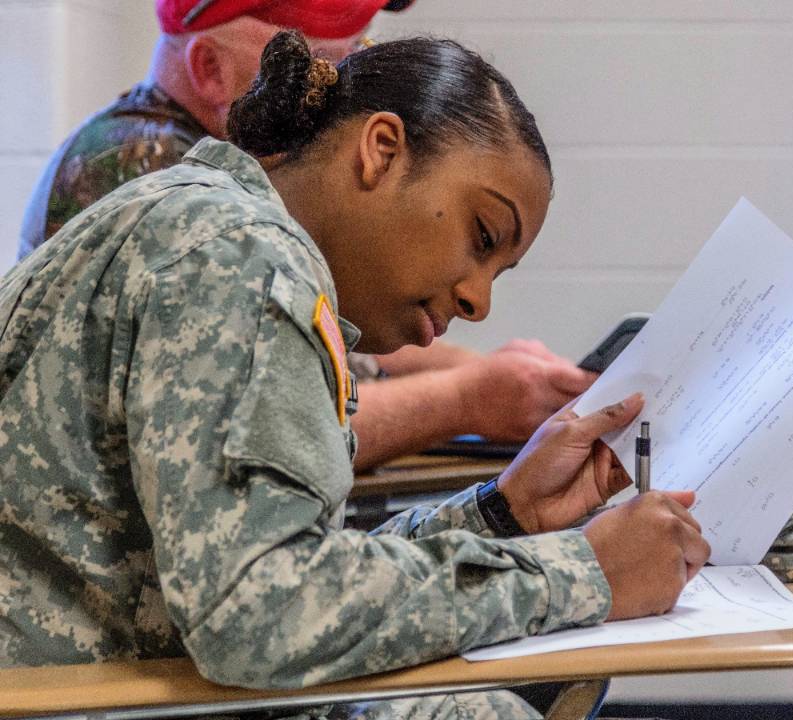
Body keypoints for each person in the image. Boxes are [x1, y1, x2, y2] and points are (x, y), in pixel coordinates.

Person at [0, 31, 712, 719]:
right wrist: (580, 573)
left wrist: (504, 514)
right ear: (381, 151)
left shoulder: (216, 226)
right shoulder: (239, 255)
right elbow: (259, 616)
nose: (478, 299)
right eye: (481, 236)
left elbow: (287, 568)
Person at [17, 0, 596, 471]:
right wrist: (471, 396)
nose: (346, 73)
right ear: (210, 69)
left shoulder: (250, 207)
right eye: (316, 54)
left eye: (359, 46)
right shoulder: (186, 203)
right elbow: (277, 431)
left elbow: (327, 365)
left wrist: (499, 379)